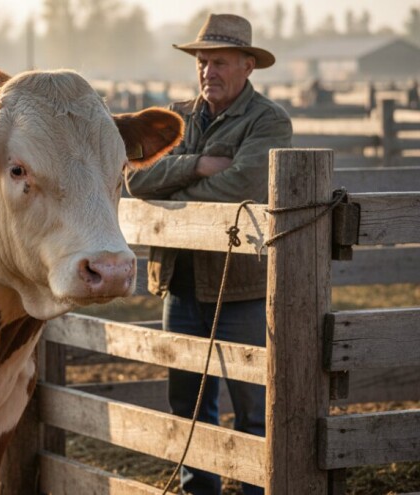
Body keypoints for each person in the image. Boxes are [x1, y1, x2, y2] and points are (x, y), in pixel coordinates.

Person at [126, 13, 292, 495]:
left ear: (247, 66)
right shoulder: (174, 118)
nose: (207, 72)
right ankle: (199, 489)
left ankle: (256, 487)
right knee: (189, 402)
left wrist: (171, 197)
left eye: (219, 62)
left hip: (238, 284)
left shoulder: (269, 120)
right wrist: (197, 163)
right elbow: (134, 177)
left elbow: (242, 185)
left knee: (252, 405)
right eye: (202, 62)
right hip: (179, 280)